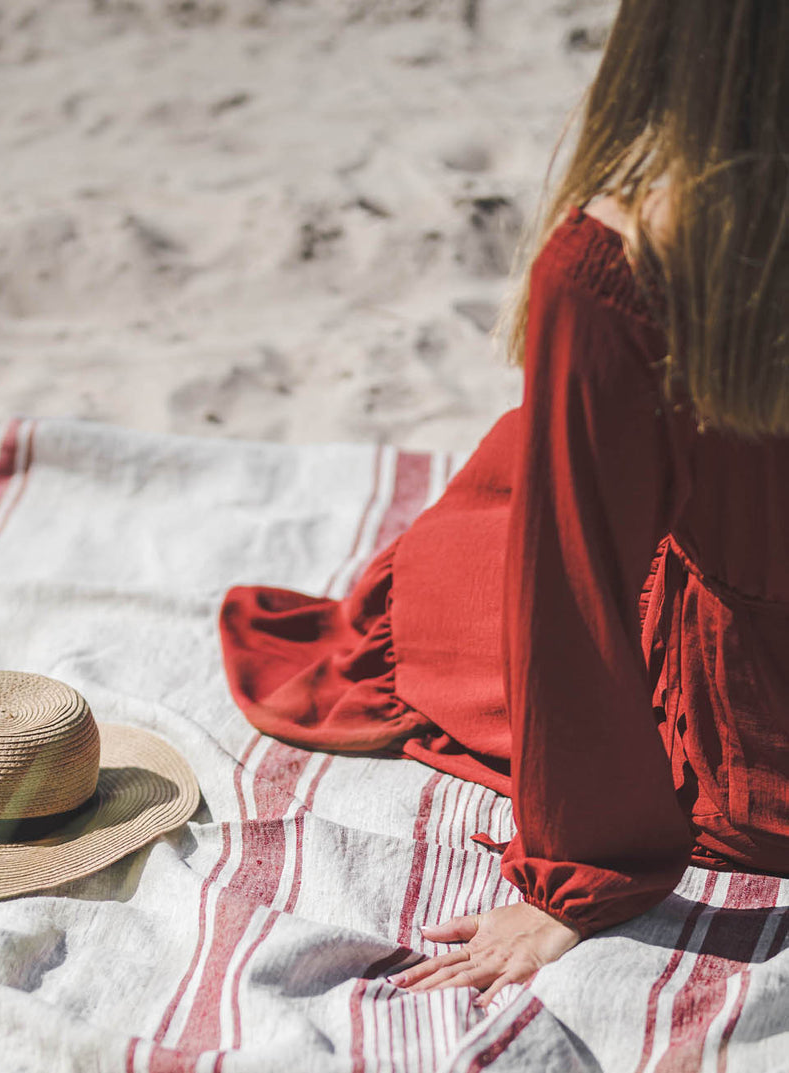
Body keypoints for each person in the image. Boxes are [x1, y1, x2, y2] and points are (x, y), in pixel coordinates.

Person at [219, 0, 789, 1008]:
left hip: (762, 743)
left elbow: (574, 596)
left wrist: (581, 873)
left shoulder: (627, 262)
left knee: (448, 569)